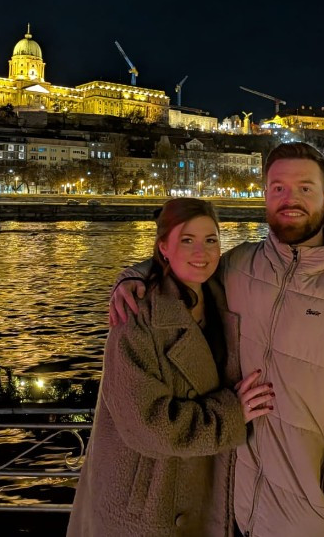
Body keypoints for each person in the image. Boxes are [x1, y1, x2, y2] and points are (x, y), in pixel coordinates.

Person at [110, 143, 324, 537]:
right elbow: (188, 262)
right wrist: (136, 276)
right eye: (278, 188)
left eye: (305, 188)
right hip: (245, 516)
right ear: (265, 195)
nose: (289, 199)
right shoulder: (240, 266)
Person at [68, 198, 274, 537]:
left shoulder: (226, 294)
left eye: (211, 240)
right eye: (187, 240)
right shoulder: (137, 315)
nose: (201, 252)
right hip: (148, 504)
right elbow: (147, 425)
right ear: (163, 247)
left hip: (205, 489)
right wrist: (231, 415)